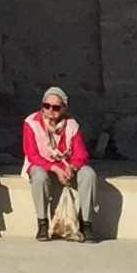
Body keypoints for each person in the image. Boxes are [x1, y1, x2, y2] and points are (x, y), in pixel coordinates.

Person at [22, 86, 102, 241]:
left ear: (64, 108)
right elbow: (32, 154)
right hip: (44, 165)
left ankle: (86, 224)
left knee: (89, 174)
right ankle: (42, 223)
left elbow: (81, 154)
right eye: (47, 106)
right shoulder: (31, 123)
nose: (51, 110)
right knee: (38, 175)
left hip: (66, 166)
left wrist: (71, 167)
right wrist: (55, 169)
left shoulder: (72, 125)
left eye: (56, 107)